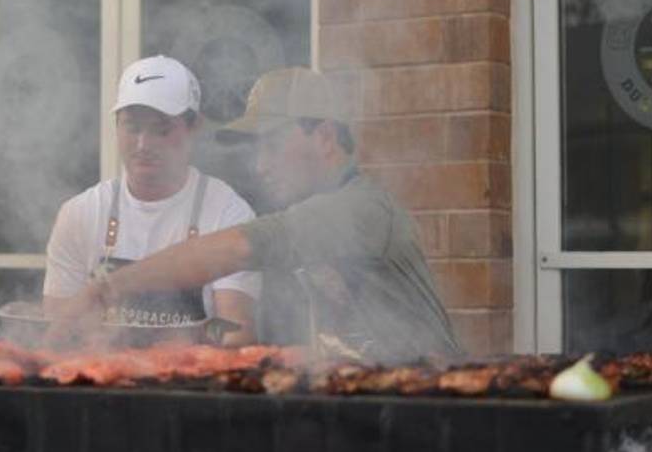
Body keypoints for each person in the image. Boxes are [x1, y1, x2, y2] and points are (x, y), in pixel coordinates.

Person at [59, 67, 462, 363]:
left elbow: (236, 249)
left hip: (427, 402)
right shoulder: (319, 212)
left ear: (324, 137)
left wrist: (107, 288)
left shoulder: (356, 208)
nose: (260, 165)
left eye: (271, 145)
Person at [43, 55, 261, 345]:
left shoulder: (228, 213)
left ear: (194, 127)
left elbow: (237, 332)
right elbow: (55, 334)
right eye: (132, 128)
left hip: (192, 373)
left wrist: (184, 337)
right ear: (116, 126)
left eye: (161, 129)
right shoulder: (81, 213)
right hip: (100, 370)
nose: (143, 144)